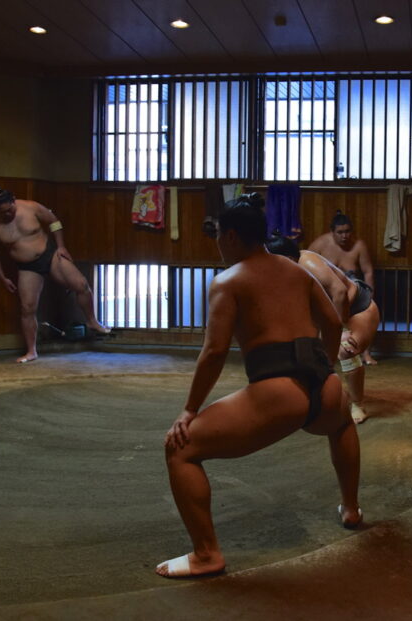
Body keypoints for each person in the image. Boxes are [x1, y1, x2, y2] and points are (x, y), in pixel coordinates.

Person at [156, 194, 362, 579]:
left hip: (277, 391)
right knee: (341, 423)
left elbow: (215, 352)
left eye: (218, 235)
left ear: (232, 236)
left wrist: (189, 410)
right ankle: (350, 509)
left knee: (180, 450)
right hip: (323, 385)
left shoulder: (228, 281)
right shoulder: (294, 268)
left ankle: (206, 554)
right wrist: (326, 367)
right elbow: (333, 322)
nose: (217, 243)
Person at [0, 188, 110, 363]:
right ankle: (31, 351)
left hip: (50, 255)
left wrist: (61, 246)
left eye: (10, 209)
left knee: (81, 285)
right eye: (2, 212)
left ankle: (92, 321)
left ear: (13, 201)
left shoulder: (31, 207)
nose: (8, 214)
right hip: (27, 266)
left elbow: (54, 222)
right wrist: (2, 278)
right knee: (27, 309)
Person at [267, 234, 381, 424]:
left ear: (287, 258)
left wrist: (342, 328)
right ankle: (306, 397)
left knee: (345, 349)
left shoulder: (307, 263)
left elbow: (340, 292)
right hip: (325, 316)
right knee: (295, 348)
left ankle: (358, 404)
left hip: (357, 309)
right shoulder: (282, 271)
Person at [308, 211, 378, 365]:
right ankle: (320, 352)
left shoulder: (359, 245)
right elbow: (307, 266)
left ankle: (366, 353)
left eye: (347, 231)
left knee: (364, 318)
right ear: (332, 232)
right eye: (340, 232)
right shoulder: (320, 243)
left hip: (353, 288)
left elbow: (368, 272)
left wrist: (370, 295)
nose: (344, 236)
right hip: (326, 291)